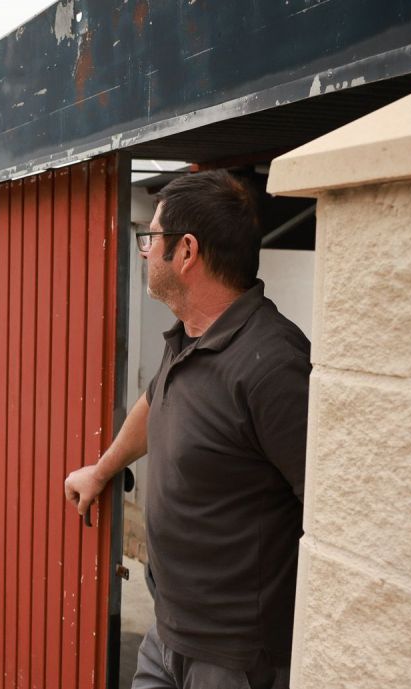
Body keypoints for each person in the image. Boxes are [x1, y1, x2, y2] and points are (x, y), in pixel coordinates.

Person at [64, 170, 310, 689]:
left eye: (150, 238)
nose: (144, 251)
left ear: (187, 252)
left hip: (233, 659)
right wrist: (102, 470)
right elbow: (156, 404)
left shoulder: (273, 366)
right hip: (167, 631)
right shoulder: (190, 339)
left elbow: (329, 513)